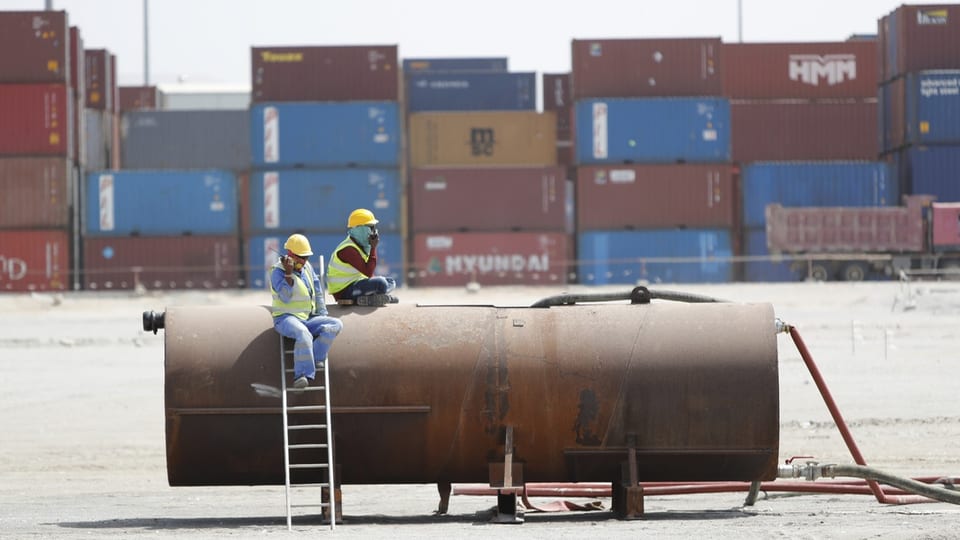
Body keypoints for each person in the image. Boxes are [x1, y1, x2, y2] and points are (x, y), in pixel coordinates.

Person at [271, 233, 343, 389]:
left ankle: (315, 358)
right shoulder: (277, 272)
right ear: (290, 255)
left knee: (335, 325)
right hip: (285, 318)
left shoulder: (307, 268)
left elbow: (317, 292)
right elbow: (284, 296)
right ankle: (302, 376)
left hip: (307, 317)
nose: (304, 261)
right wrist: (288, 273)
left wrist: (322, 314)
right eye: (301, 258)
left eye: (306, 258)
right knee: (303, 333)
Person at [327, 208, 398, 306]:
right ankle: (374, 297)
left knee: (390, 281)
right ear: (360, 229)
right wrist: (373, 248)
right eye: (371, 227)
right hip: (344, 291)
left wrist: (371, 247)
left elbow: (368, 275)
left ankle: (372, 297)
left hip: (356, 284)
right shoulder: (348, 249)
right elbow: (368, 272)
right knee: (381, 283)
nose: (374, 231)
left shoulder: (359, 245)